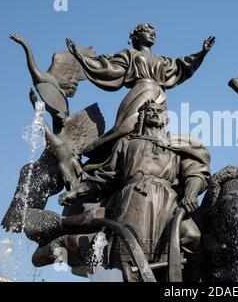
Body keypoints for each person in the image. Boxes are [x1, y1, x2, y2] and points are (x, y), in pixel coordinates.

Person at [58, 100, 210, 281]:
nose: (154, 112)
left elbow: (195, 172)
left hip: (168, 201)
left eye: (158, 111)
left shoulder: (176, 145)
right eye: (150, 110)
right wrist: (76, 192)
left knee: (193, 236)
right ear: (142, 117)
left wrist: (191, 193)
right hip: (133, 199)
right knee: (129, 251)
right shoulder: (126, 143)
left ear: (165, 118)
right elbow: (106, 176)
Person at [66, 23, 215, 155]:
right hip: (140, 90)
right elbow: (110, 70)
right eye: (147, 31)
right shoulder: (129, 54)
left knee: (157, 132)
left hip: (159, 95)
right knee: (125, 128)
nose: (152, 34)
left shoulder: (162, 60)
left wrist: (202, 53)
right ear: (137, 36)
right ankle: (96, 150)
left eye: (154, 33)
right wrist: (80, 56)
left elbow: (182, 66)